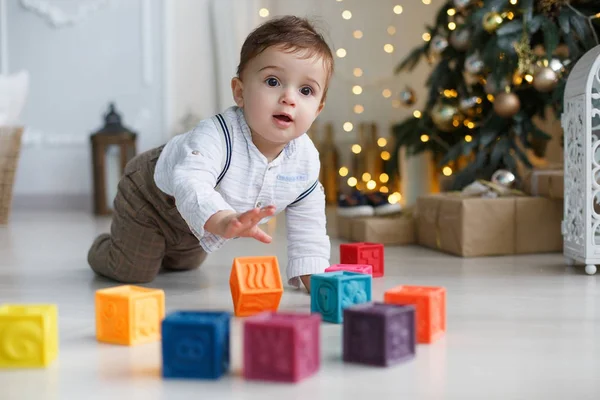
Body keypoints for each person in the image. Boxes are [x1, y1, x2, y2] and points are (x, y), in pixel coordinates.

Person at [87, 15, 335, 293]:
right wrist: (223, 220)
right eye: (273, 81)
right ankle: (107, 247)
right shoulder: (216, 136)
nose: (289, 97)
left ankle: (159, 245)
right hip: (152, 196)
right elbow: (190, 181)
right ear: (240, 92)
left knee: (184, 264)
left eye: (305, 90)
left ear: (317, 109)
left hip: (201, 220)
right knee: (134, 271)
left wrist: (313, 274)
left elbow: (309, 222)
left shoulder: (305, 160)